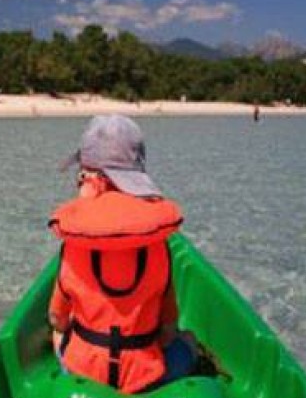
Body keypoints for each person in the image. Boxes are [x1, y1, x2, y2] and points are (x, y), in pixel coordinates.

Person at [48, 114, 197, 393]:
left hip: (84, 374)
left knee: (58, 335)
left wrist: (61, 333)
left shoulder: (73, 244)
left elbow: (57, 318)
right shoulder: (158, 245)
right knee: (187, 341)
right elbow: (167, 332)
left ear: (89, 179)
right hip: (144, 377)